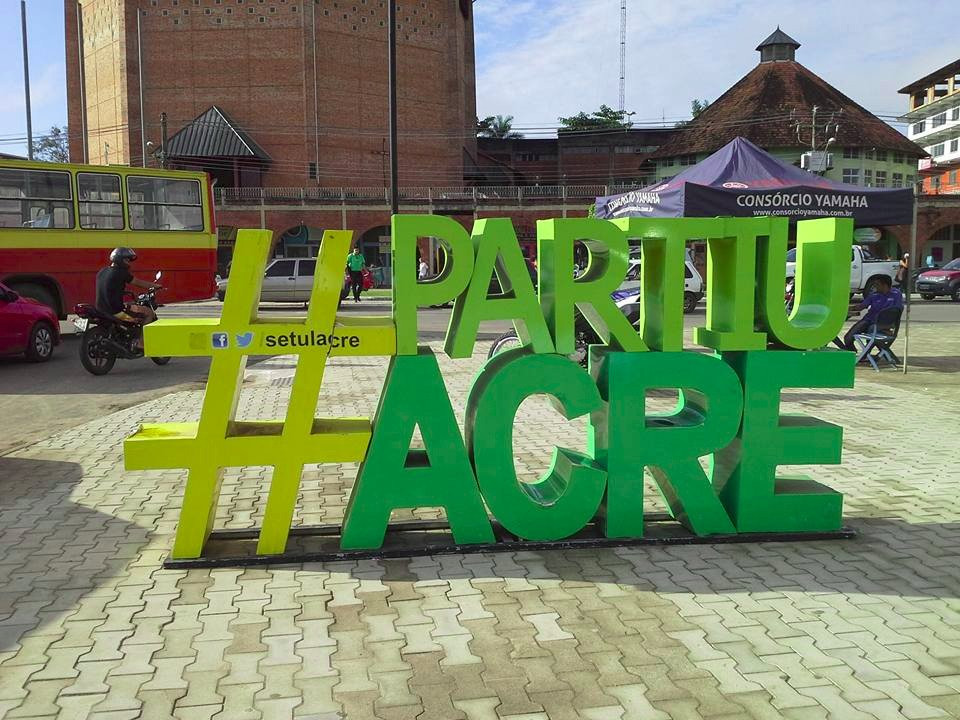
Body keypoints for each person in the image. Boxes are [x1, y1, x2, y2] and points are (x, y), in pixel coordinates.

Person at [95, 247, 160, 347]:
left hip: (101, 309)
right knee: (149, 313)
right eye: (127, 260)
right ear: (120, 259)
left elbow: (110, 289)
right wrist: (155, 286)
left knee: (131, 306)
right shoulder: (120, 272)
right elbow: (138, 283)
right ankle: (141, 343)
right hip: (116, 311)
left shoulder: (102, 271)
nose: (128, 263)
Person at [832, 276, 903, 352]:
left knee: (871, 331)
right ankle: (853, 353)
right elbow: (861, 306)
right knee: (848, 338)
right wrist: (845, 308)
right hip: (868, 320)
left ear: (885, 285)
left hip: (883, 323)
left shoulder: (896, 294)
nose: (875, 287)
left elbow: (898, 309)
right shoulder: (874, 295)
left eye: (877, 284)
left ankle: (866, 354)